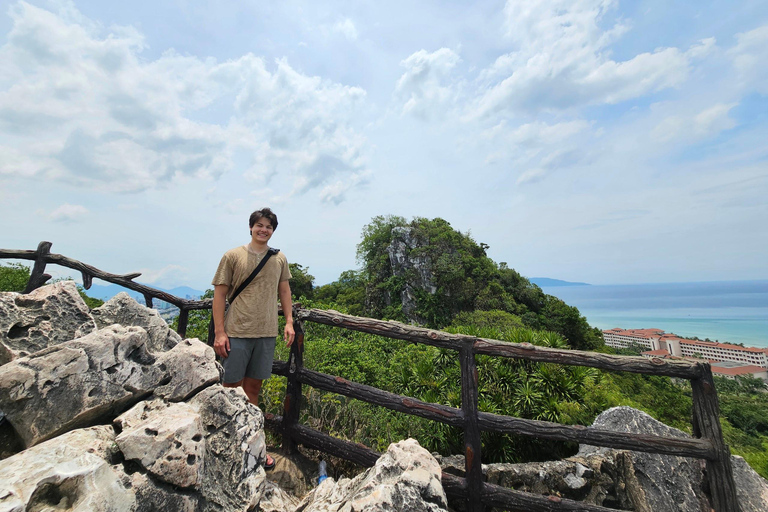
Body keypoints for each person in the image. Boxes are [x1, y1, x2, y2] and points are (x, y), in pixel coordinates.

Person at [211, 207, 295, 470]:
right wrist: (220, 332)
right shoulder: (233, 256)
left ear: (273, 230)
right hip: (237, 332)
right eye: (259, 225)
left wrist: (289, 322)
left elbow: (284, 290)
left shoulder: (278, 258)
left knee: (253, 391)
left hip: (266, 332)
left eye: (268, 226)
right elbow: (220, 295)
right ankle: (227, 445)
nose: (263, 230)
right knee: (230, 390)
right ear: (251, 227)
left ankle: (253, 446)